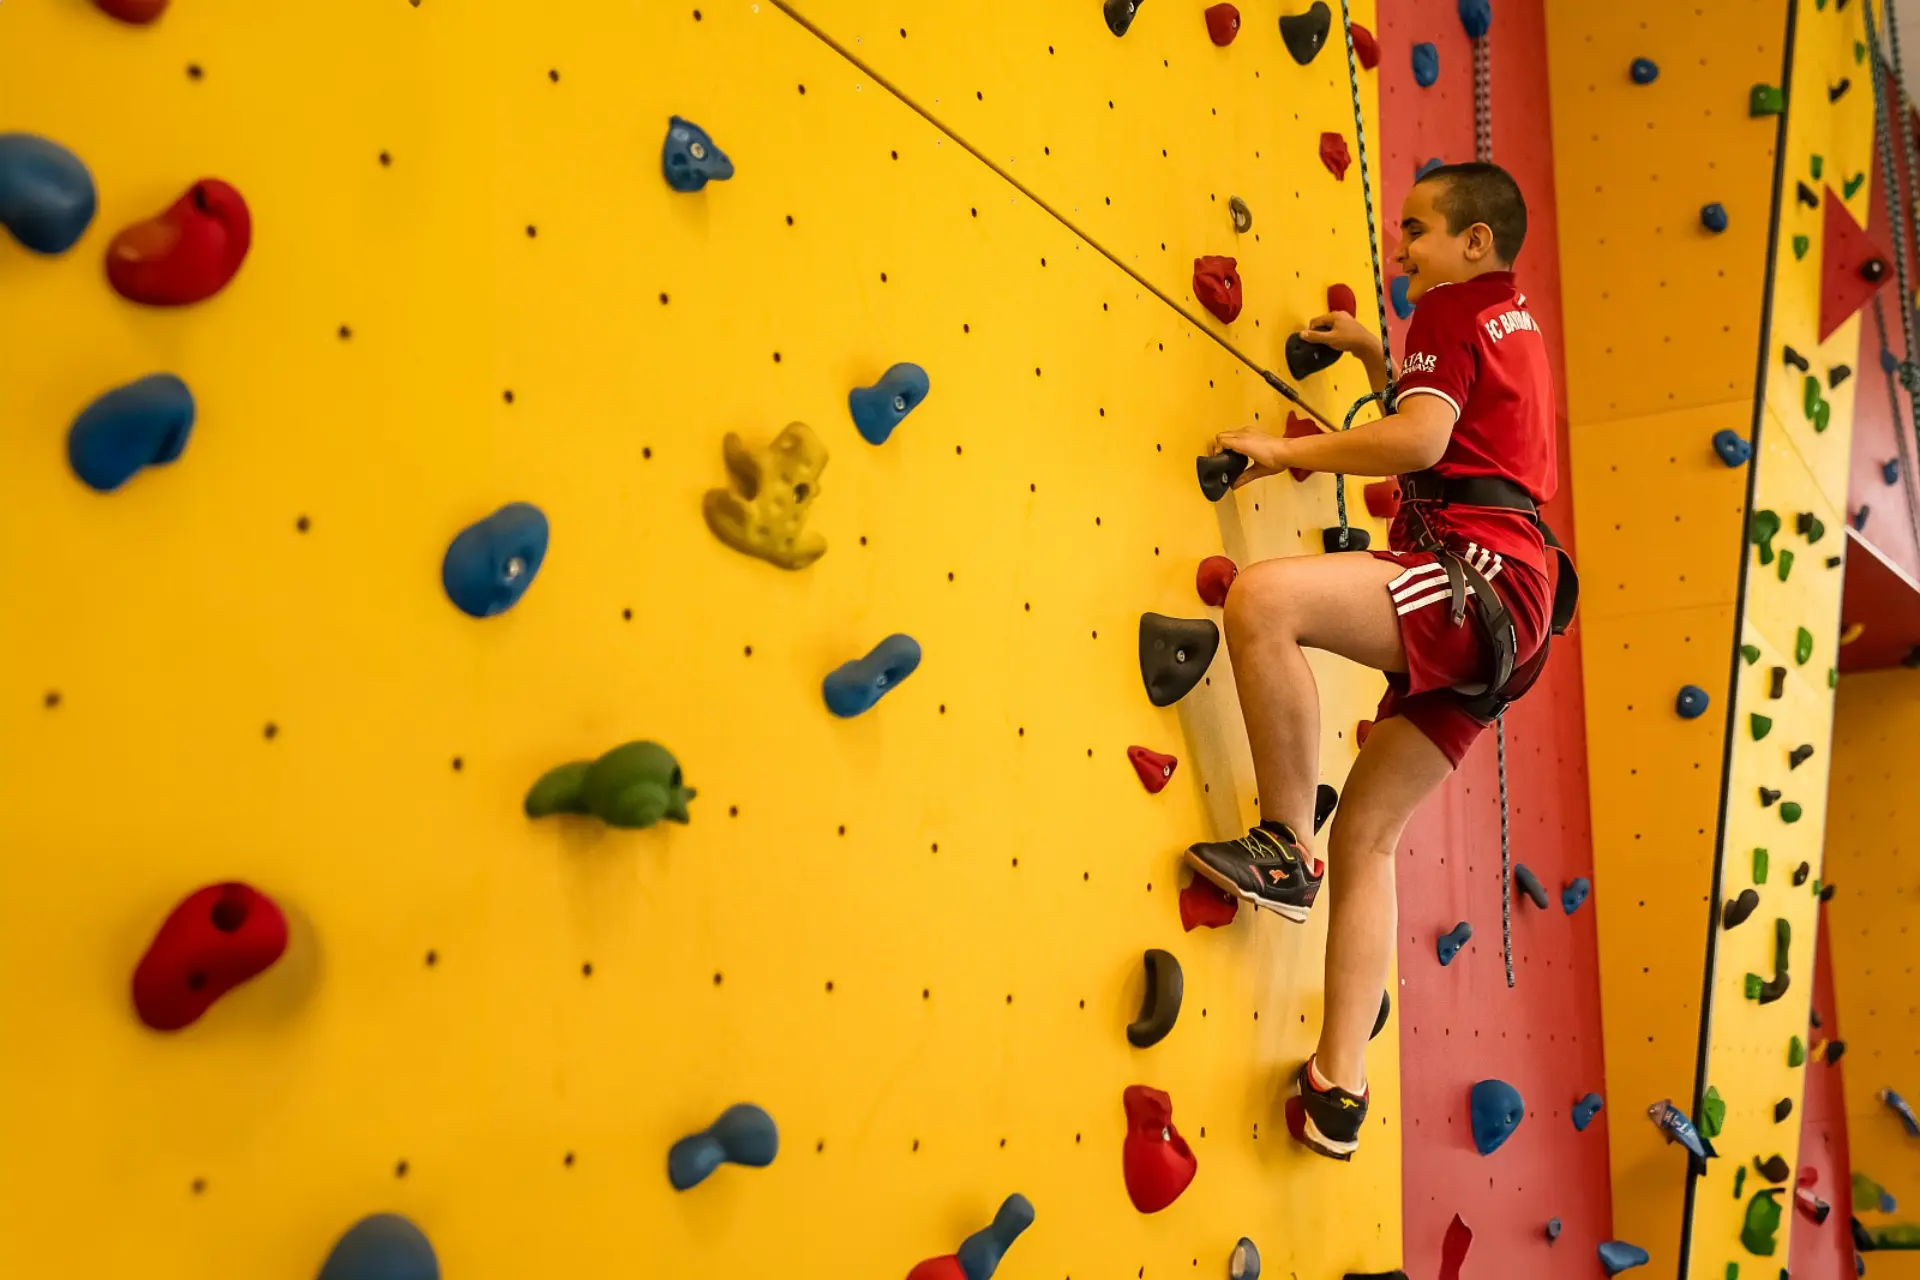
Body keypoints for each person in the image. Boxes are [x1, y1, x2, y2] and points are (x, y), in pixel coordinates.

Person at [1182, 161, 1576, 1162]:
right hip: (1513, 608)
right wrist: (1373, 358)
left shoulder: (1449, 307)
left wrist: (1287, 451)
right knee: (1364, 837)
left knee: (1262, 599)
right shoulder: (1511, 321)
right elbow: (1457, 435)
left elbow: (1420, 442)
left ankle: (1282, 841)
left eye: (1417, 231)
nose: (1402, 251)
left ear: (1474, 242)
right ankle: (1339, 1088)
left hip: (1474, 574)